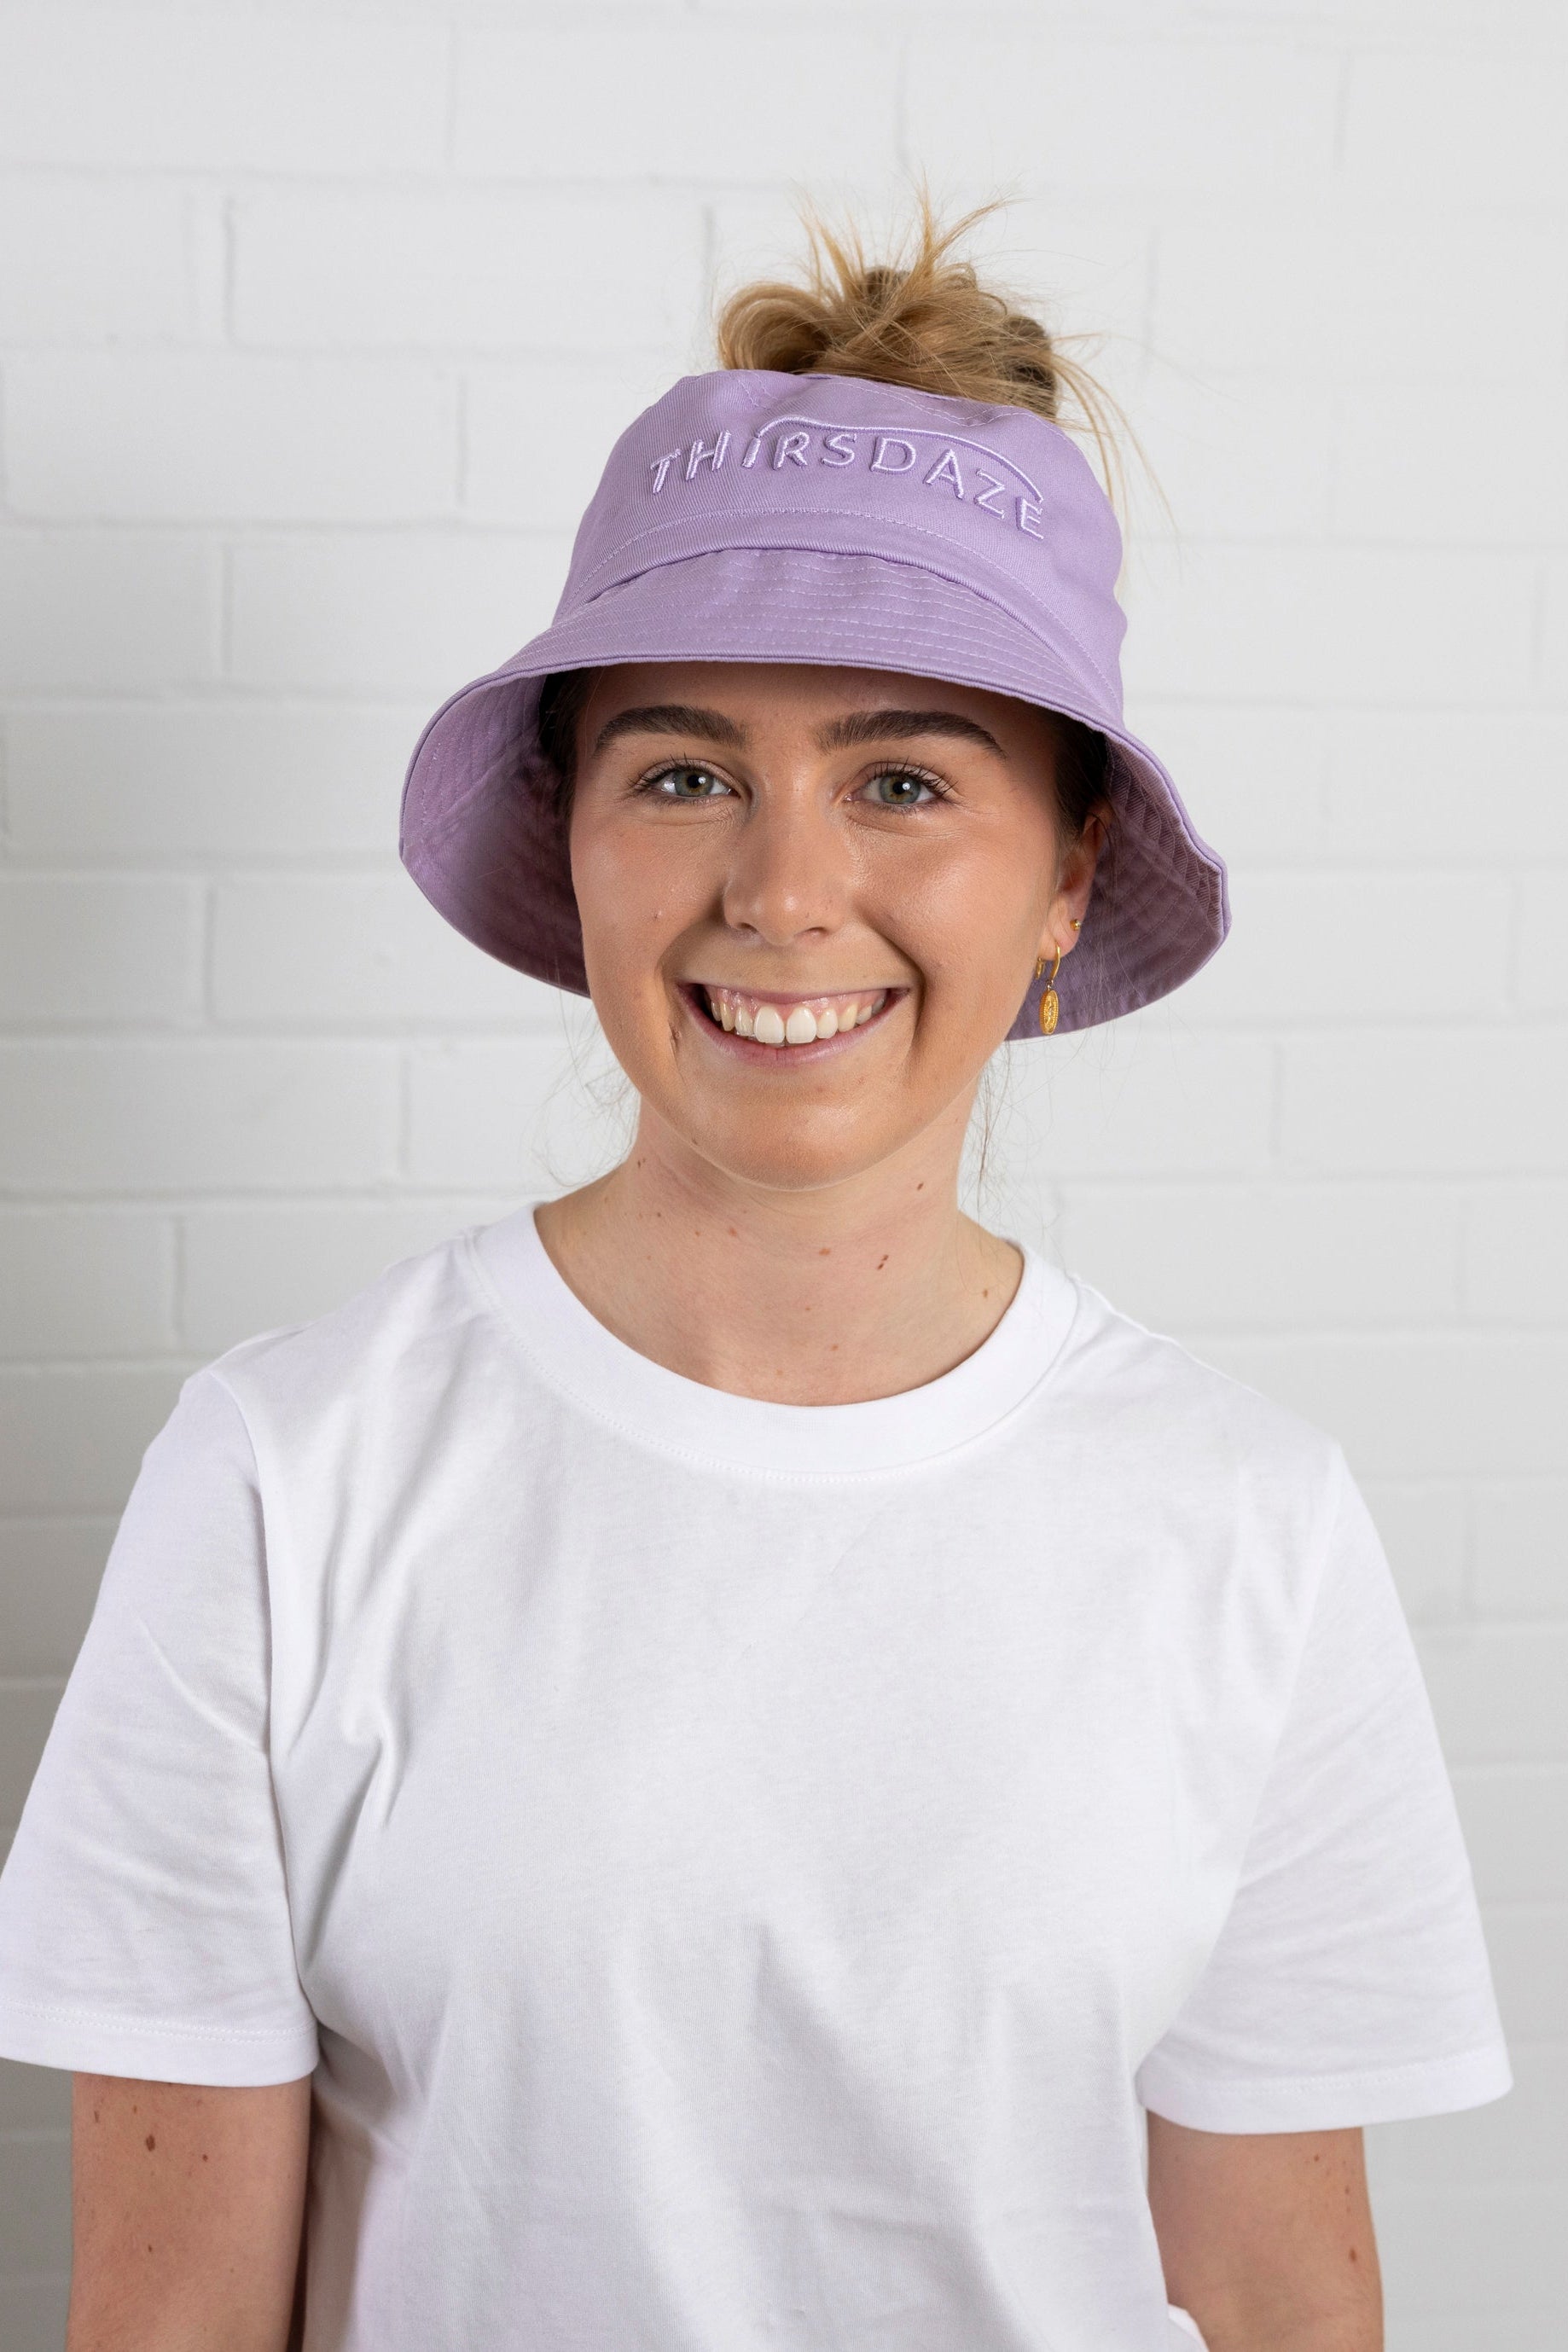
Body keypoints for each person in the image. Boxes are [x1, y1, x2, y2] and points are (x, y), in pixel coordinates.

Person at [0, 200, 1510, 2352]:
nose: (784, 889)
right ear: (576, 834)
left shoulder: (1245, 1520)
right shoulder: (283, 1475)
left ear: (1068, 867)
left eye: (901, 779)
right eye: (686, 771)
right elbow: (166, 2320)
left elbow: (1278, 2292)